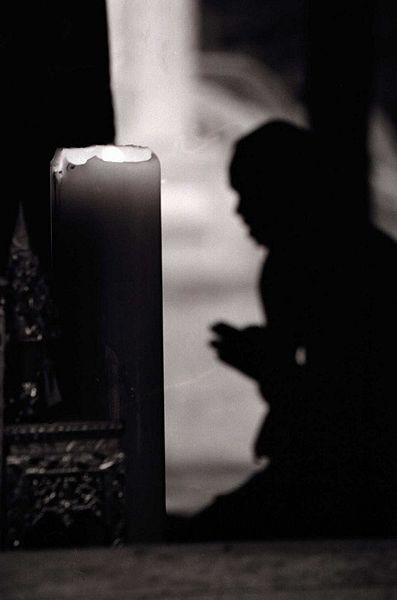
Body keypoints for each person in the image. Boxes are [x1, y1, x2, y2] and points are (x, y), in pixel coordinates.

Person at [169, 120, 397, 540]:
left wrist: (267, 366)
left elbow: (345, 414)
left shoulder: (357, 271)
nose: (239, 211)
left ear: (288, 194)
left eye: (249, 194)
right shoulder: (287, 267)